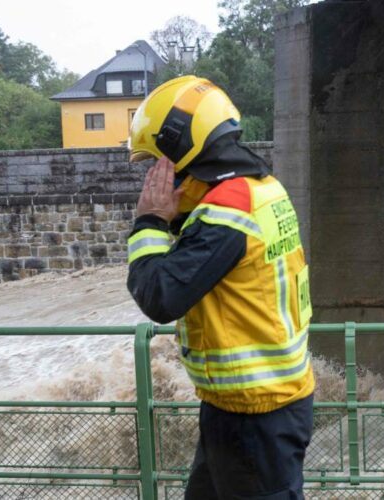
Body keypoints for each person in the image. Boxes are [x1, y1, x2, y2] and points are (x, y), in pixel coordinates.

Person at [126, 75, 315, 499]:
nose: (158, 174)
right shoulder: (260, 189)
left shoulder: (227, 214)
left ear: (181, 149)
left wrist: (150, 222)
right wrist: (175, 214)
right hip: (246, 405)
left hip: (257, 416)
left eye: (158, 161)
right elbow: (212, 252)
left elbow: (160, 296)